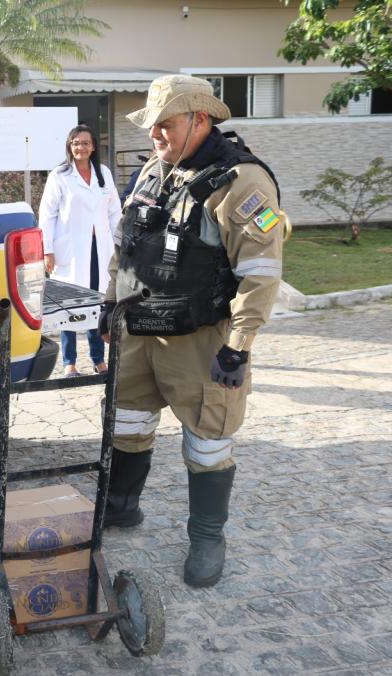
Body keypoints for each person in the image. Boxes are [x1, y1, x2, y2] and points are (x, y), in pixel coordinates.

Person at [99, 75, 285, 588]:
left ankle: (207, 536)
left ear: (201, 120)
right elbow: (127, 243)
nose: (155, 134)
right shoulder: (154, 171)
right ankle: (122, 506)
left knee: (208, 442)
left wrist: (238, 346)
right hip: (140, 331)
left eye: (166, 124)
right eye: (152, 125)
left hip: (203, 339)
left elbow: (261, 272)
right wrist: (110, 305)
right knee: (129, 422)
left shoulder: (242, 181)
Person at [38, 124, 122, 378]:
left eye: (85, 143)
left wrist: (120, 245)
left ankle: (98, 361)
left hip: (101, 250)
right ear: (69, 146)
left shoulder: (103, 173)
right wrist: (47, 250)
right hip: (71, 250)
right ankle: (70, 363)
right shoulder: (60, 175)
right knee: (69, 306)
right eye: (75, 142)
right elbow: (47, 213)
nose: (80, 147)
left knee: (97, 302)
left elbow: (114, 211)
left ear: (93, 147)